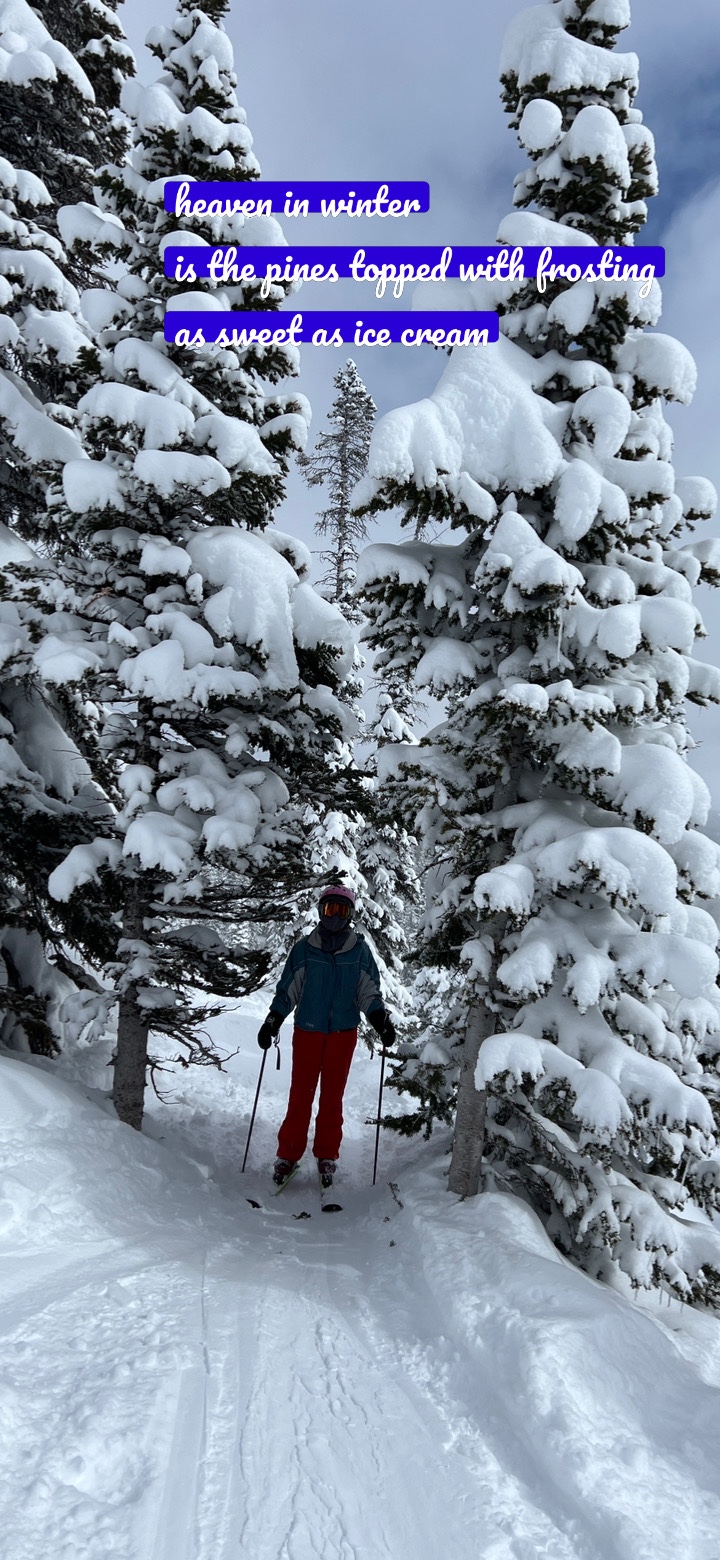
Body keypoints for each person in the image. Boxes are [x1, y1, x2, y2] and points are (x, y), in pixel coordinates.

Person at [257, 884, 396, 1188]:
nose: (334, 917)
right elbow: (288, 990)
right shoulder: (304, 950)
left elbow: (368, 991)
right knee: (300, 1095)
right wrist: (273, 1019)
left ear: (350, 915)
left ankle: (327, 1154)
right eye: (330, 909)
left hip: (342, 1034)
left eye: (341, 911)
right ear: (320, 911)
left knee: (332, 1097)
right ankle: (288, 1153)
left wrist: (379, 1019)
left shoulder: (359, 952)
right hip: (308, 1031)